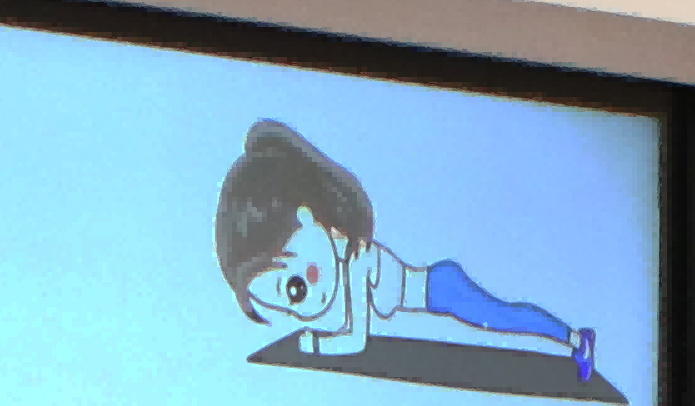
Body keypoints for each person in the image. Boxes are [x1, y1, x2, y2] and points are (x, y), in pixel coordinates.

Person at [210, 118, 603, 379]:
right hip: (438, 290)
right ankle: (573, 339)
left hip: (443, 290)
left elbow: (354, 341)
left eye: (296, 289)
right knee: (503, 315)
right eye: (290, 307)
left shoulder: (357, 263)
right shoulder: (343, 257)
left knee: (503, 316)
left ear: (308, 216)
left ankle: (575, 340)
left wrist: (315, 344)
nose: (305, 309)